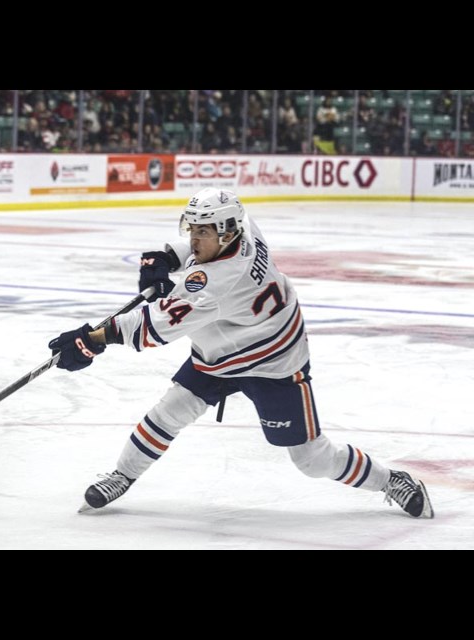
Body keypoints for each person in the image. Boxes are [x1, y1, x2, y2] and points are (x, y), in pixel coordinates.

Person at [48, 188, 434, 519]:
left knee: (311, 458)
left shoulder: (216, 284)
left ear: (226, 232)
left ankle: (391, 480)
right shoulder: (244, 228)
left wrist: (92, 339)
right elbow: (192, 256)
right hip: (222, 351)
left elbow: (150, 328)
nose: (194, 239)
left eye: (203, 232)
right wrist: (168, 257)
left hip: (274, 360)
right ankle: (123, 475)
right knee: (169, 411)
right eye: (192, 230)